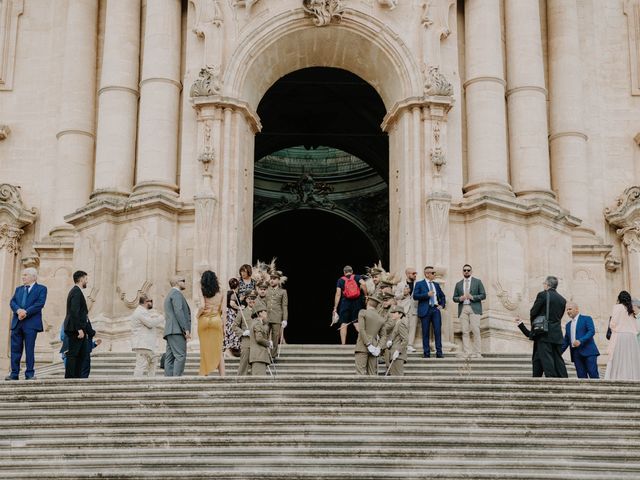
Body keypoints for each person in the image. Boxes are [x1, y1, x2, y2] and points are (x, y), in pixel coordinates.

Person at [515, 275, 568, 378]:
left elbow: (533, 312)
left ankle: (551, 382)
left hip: (544, 333)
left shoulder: (542, 295)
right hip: (557, 333)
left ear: (547, 284)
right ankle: (563, 380)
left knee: (547, 358)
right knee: (557, 358)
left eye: (544, 283)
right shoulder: (562, 300)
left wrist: (534, 327)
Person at [6, 267, 47, 381]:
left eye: (25, 275)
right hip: (17, 323)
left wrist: (26, 312)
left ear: (33, 277)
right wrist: (18, 310)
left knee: (29, 349)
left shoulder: (41, 289)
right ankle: (14, 374)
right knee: (15, 350)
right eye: (23, 275)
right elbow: (12, 302)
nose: (23, 277)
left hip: (31, 324)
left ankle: (29, 374)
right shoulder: (18, 289)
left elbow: (40, 303)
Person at [452, 264, 486, 358]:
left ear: (471, 271)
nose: (466, 272)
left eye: (468, 270)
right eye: (464, 270)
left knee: (476, 330)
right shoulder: (458, 284)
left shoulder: (477, 282)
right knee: (465, 331)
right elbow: (454, 298)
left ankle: (477, 352)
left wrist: (473, 297)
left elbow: (483, 295)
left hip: (474, 308)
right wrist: (460, 298)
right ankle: (467, 352)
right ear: (462, 272)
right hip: (463, 308)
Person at [605, 290, 640, 380]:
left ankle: (618, 376)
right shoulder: (631, 309)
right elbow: (636, 327)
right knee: (630, 359)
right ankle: (631, 377)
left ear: (619, 298)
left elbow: (613, 323)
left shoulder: (617, 307)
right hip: (631, 337)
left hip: (620, 336)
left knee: (619, 358)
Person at [413, 266, 446, 358]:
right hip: (425, 310)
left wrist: (442, 305)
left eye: (434, 273)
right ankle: (426, 353)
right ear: (427, 274)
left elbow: (443, 296)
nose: (434, 274)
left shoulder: (436, 285)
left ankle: (439, 353)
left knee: (437, 331)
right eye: (432, 273)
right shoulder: (419, 284)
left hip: (435, 309)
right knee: (425, 332)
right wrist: (426, 295)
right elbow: (415, 296)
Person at [560, 302, 599, 379]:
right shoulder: (568, 325)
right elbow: (566, 341)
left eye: (570, 309)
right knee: (581, 377)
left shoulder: (587, 319)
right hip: (576, 354)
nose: (568, 311)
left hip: (589, 352)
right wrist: (558, 353)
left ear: (577, 309)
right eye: (567, 310)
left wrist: (580, 341)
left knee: (593, 374)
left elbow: (591, 331)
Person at [197, 270, 225, 376]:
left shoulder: (201, 290)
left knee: (204, 350)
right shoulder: (222, 290)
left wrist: (197, 315)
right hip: (216, 320)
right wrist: (225, 327)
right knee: (219, 350)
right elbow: (224, 310)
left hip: (204, 320)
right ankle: (223, 376)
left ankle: (204, 375)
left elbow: (202, 306)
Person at [63, 270, 90, 379]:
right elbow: (74, 311)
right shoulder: (76, 292)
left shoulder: (76, 291)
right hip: (76, 329)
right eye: (86, 279)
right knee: (73, 354)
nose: (87, 281)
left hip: (78, 328)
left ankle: (77, 377)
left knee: (82, 354)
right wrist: (79, 329)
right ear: (81, 279)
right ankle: (70, 378)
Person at [163, 276, 191, 377]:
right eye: (183, 280)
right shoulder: (176, 294)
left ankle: (168, 382)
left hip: (170, 331)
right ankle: (176, 382)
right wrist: (186, 329)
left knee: (169, 358)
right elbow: (179, 311)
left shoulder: (169, 295)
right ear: (177, 283)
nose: (184, 282)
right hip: (177, 331)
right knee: (180, 356)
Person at [130, 294, 164, 377]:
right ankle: (137, 384)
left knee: (152, 361)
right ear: (145, 302)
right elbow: (150, 323)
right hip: (143, 344)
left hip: (144, 344)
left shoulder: (142, 311)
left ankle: (150, 380)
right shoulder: (140, 312)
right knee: (141, 364)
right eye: (151, 301)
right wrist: (162, 317)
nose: (152, 303)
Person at [354, 294, 385, 375]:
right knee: (372, 374)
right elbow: (383, 336)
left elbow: (361, 330)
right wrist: (378, 347)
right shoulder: (381, 318)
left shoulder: (362, 312)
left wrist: (368, 344)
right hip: (375, 347)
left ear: (367, 302)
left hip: (362, 345)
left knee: (360, 373)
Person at [333, 265, 363, 345]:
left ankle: (343, 344)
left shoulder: (340, 280)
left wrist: (335, 307)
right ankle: (365, 342)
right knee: (356, 323)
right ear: (352, 271)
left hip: (345, 303)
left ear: (344, 272)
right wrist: (366, 295)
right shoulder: (357, 277)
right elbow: (363, 284)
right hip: (356, 302)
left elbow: (338, 294)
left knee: (344, 323)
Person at [232, 290, 257, 376]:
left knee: (256, 365)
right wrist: (243, 333)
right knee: (244, 364)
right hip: (246, 341)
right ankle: (240, 382)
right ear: (246, 300)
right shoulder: (242, 312)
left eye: (254, 298)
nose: (251, 300)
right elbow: (234, 326)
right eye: (249, 298)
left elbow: (266, 325)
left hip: (258, 342)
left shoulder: (261, 312)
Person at [394, 267, 418, 352]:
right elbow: (396, 296)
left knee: (412, 327)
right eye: (413, 273)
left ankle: (410, 345)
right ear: (407, 274)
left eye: (416, 273)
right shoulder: (400, 284)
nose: (415, 275)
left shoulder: (418, 284)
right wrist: (403, 294)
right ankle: (402, 344)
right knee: (404, 327)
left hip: (414, 308)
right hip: (403, 308)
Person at [266, 271, 288, 358]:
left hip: (277, 316)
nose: (272, 280)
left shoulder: (283, 292)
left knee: (275, 337)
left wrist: (285, 319)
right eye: (271, 278)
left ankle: (273, 355)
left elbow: (284, 306)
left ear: (278, 280)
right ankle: (264, 354)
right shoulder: (266, 290)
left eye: (274, 279)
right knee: (265, 335)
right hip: (266, 316)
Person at [249, 305, 271, 376]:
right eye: (265, 311)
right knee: (259, 380)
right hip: (258, 356)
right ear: (260, 313)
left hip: (259, 356)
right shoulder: (257, 323)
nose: (266, 313)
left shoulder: (259, 323)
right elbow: (259, 339)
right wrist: (268, 343)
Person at [387, 306, 409, 376]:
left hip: (398, 355)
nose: (393, 314)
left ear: (400, 314)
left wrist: (398, 351)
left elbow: (405, 340)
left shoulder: (401, 324)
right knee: (394, 376)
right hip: (394, 354)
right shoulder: (397, 323)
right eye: (392, 312)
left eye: (395, 313)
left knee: (398, 377)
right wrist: (390, 341)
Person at [224, 278, 241, 357]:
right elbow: (232, 303)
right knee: (232, 330)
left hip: (227, 313)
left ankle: (228, 350)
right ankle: (228, 350)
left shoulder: (228, 292)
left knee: (228, 330)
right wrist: (240, 308)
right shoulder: (234, 293)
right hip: (231, 313)